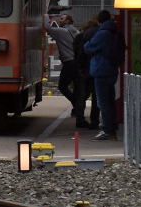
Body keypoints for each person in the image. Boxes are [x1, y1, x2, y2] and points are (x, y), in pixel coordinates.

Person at [83, 8, 126, 140]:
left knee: (103, 103)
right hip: (112, 70)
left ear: (99, 21)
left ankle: (108, 131)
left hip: (101, 70)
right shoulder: (114, 31)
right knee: (110, 101)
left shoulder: (102, 33)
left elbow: (87, 47)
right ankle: (112, 127)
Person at [44, 13, 88, 124]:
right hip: (78, 62)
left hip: (69, 63)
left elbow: (47, 27)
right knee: (78, 88)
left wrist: (46, 16)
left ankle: (76, 104)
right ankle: (78, 111)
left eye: (62, 19)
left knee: (62, 86)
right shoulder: (76, 32)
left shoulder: (62, 32)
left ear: (68, 21)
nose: (60, 20)